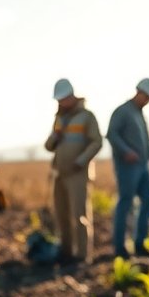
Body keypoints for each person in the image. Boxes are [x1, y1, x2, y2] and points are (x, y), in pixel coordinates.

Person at [44, 78, 103, 266]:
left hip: (78, 173)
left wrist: (81, 160)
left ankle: (82, 255)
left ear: (72, 97)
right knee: (61, 214)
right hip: (60, 174)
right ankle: (66, 251)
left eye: (63, 99)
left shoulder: (87, 117)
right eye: (58, 100)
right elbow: (48, 146)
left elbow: (96, 142)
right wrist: (55, 137)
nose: (60, 103)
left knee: (79, 214)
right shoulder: (59, 118)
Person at [107, 77, 149, 259]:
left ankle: (140, 243)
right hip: (127, 167)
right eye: (146, 96)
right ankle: (120, 248)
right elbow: (112, 134)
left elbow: (146, 142)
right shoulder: (122, 112)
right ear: (138, 92)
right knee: (125, 204)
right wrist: (126, 152)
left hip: (143, 167)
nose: (147, 100)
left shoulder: (140, 115)